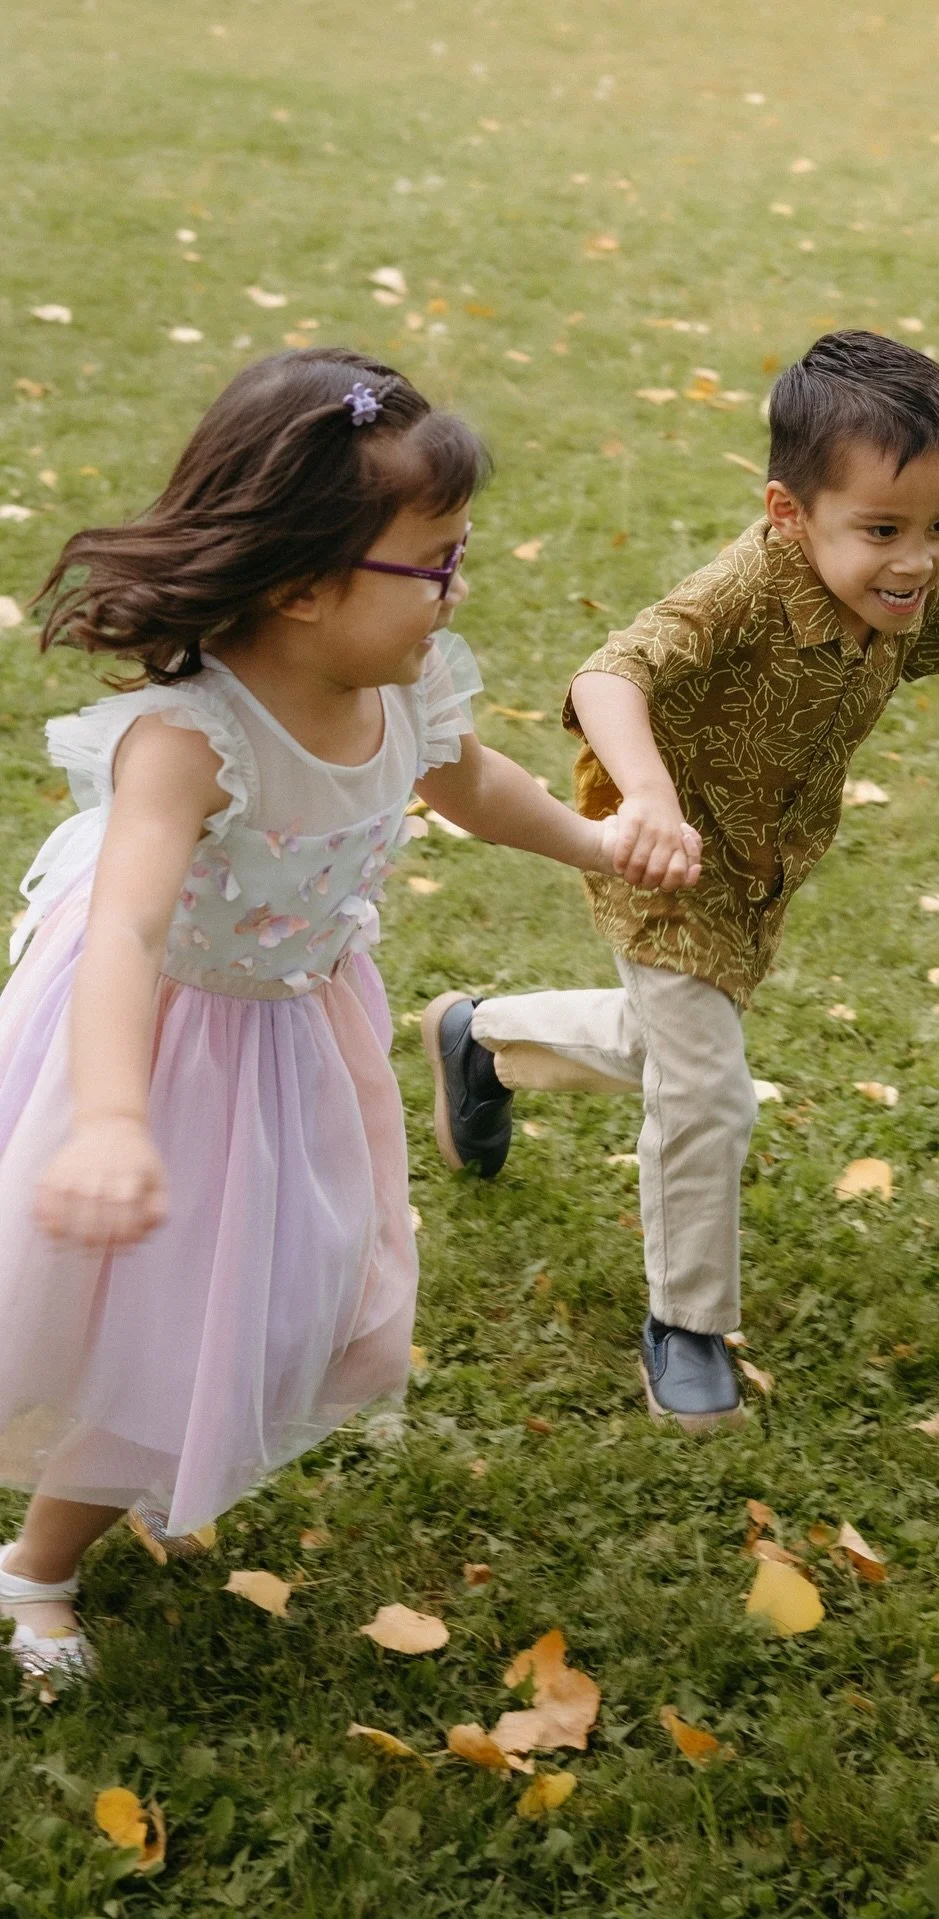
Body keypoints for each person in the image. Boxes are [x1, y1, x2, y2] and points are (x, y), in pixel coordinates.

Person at [0, 349, 643, 1684]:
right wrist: (112, 1119)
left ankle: (114, 1475)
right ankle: (38, 1563)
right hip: (156, 1040)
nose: (458, 590)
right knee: (125, 1311)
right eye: (437, 563)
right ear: (298, 584)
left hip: (291, 1031)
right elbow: (123, 925)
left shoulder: (406, 682)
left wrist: (597, 842)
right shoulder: (190, 736)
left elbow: (474, 788)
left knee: (278, 1292)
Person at [423, 330, 939, 1432]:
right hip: (658, 852)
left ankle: (480, 1040)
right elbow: (610, 673)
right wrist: (648, 798)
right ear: (787, 512)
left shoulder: (915, 592)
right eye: (881, 530)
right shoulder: (741, 589)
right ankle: (686, 1321)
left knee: (667, 1048)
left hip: (759, 870)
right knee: (708, 1091)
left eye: (938, 525)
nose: (915, 559)